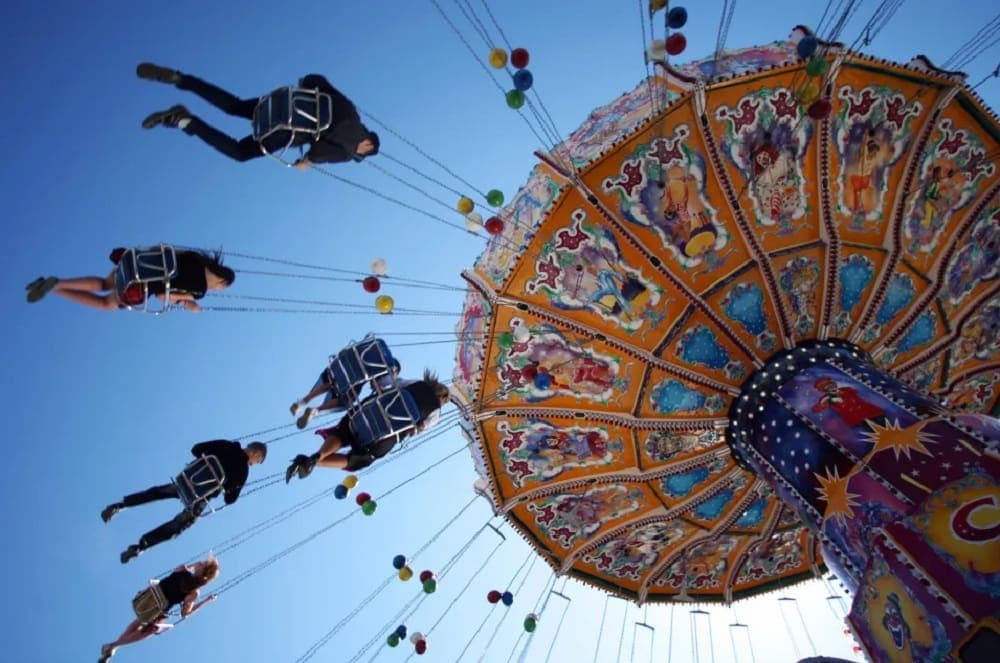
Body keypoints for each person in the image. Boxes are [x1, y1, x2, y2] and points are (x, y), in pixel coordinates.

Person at [136, 63, 379, 167]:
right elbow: (320, 152)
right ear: (368, 144)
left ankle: (181, 79)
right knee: (241, 152)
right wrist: (307, 162)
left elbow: (314, 80)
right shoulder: (349, 149)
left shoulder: (350, 108)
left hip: (281, 104)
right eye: (362, 154)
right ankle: (183, 120)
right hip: (285, 129)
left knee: (234, 106)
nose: (357, 155)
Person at [102, 440, 267, 563]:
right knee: (180, 525)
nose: (253, 464)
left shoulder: (226, 445)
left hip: (186, 481)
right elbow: (230, 499)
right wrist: (227, 487)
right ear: (256, 453)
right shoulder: (243, 472)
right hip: (198, 498)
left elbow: (196, 449)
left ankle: (118, 506)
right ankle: (141, 546)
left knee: (156, 493)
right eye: (257, 461)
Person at [286, 370, 449, 480]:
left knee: (343, 433)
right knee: (358, 460)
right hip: (386, 435)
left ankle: (317, 456)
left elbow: (394, 385)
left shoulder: (417, 383)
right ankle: (313, 462)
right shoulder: (436, 412)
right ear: (442, 399)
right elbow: (419, 428)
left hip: (368, 411)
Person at [25, 249, 234, 312]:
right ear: (222, 281)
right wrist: (188, 303)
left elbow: (162, 248)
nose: (216, 290)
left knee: (103, 283)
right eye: (220, 289)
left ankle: (57, 283)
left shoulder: (194, 257)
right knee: (106, 303)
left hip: (135, 264)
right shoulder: (199, 291)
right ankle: (54, 290)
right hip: (141, 287)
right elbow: (163, 296)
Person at [98, 556, 220, 662]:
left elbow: (181, 570)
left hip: (148, 599)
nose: (200, 562)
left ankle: (112, 647)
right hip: (157, 611)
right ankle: (113, 645)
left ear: (202, 569)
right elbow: (185, 613)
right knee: (151, 629)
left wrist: (193, 565)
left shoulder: (182, 569)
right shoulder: (194, 593)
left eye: (203, 563)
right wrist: (205, 601)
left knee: (139, 622)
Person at [290, 358, 401, 429]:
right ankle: (316, 410)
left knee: (331, 381)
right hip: (353, 382)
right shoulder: (390, 369)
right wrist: (380, 389)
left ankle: (303, 401)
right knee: (345, 402)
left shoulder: (373, 352)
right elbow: (375, 384)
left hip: (338, 367)